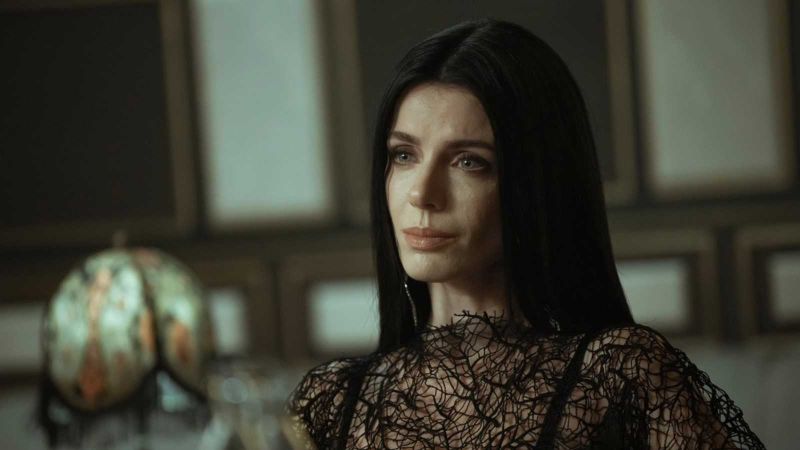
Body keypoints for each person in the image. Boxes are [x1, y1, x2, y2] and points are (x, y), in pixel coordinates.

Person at [286, 19, 765, 449]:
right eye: (404, 155)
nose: (422, 194)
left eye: (469, 162)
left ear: (536, 183)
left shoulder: (620, 373)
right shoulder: (332, 401)